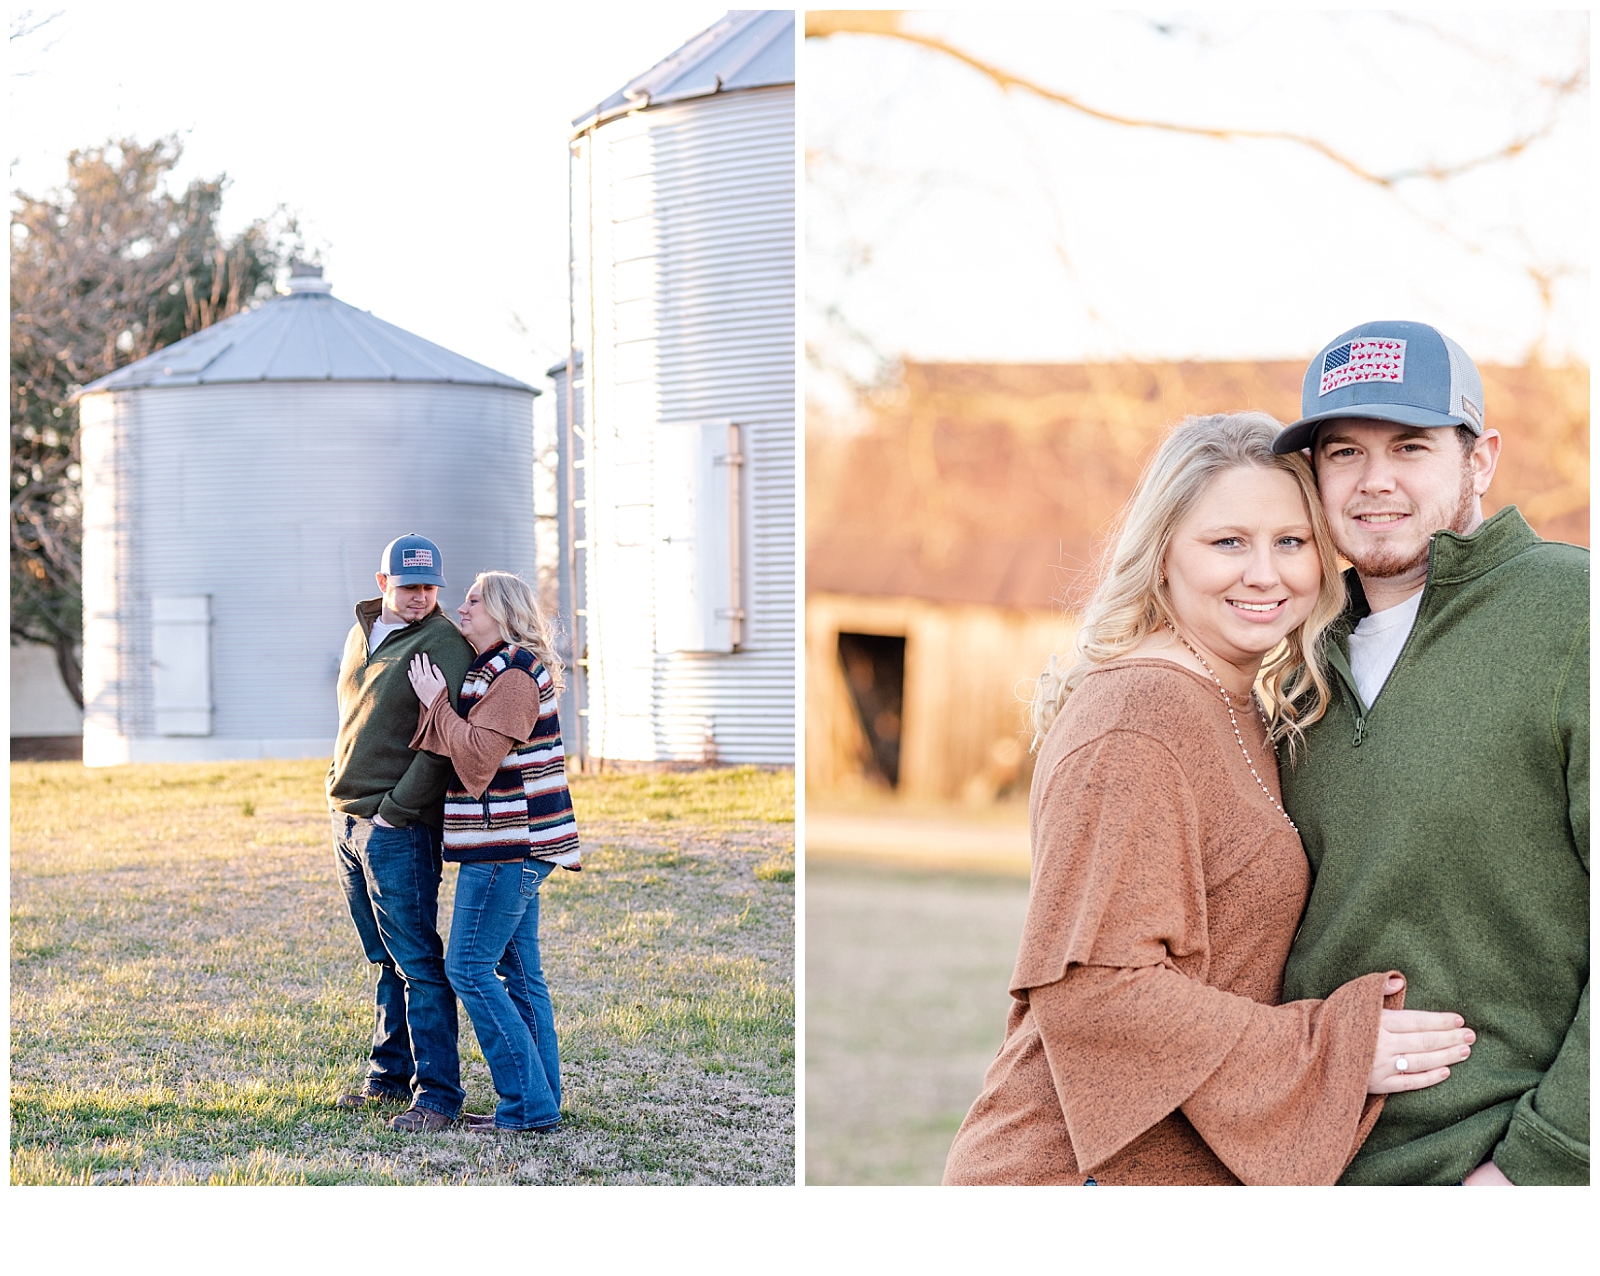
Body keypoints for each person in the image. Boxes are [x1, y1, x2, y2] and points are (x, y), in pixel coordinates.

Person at [943, 413, 1475, 1186]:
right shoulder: (1138, 718)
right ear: (1162, 557)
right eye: (1228, 542)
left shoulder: (1236, 701)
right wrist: (1332, 1047)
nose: (1265, 574)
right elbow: (1097, 991)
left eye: (1291, 542)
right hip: (1078, 1177)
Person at [1273, 321, 1589, 1186]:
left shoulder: (1574, 614)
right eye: (1343, 453)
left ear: (1479, 459)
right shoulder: (1292, 658)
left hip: (1491, 1174)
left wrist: (1542, 1167)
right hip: (1303, 1168)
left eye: (1410, 446)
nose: (1375, 482)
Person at [407, 570, 581, 1133]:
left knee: (468, 968)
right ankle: (540, 1102)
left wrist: (436, 701)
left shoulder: (514, 677)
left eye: (474, 601)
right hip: (506, 843)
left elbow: (477, 763)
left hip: (509, 844)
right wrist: (442, 708)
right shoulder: (490, 672)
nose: (461, 608)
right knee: (520, 973)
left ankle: (528, 1107)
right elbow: (458, 743)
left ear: (503, 612)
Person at [328, 533, 475, 1133]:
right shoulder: (362, 631)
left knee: (416, 958)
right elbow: (350, 715)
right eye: (408, 586)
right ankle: (387, 1077)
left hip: (396, 827)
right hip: (345, 817)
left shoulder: (443, 643)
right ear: (383, 583)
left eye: (429, 587)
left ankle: (437, 1096)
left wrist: (396, 809)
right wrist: (335, 779)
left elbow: (445, 737)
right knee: (382, 956)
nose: (419, 598)